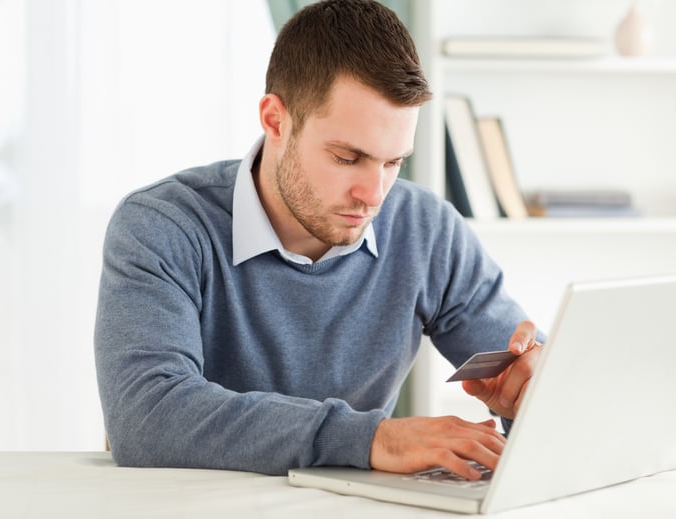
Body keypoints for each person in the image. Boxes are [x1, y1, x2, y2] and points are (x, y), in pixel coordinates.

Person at [94, 0, 544, 480]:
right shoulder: (163, 225)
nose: (374, 196)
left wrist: (528, 399)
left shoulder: (426, 229)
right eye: (348, 158)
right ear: (275, 121)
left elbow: (536, 383)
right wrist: (372, 438)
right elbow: (146, 415)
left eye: (393, 163)